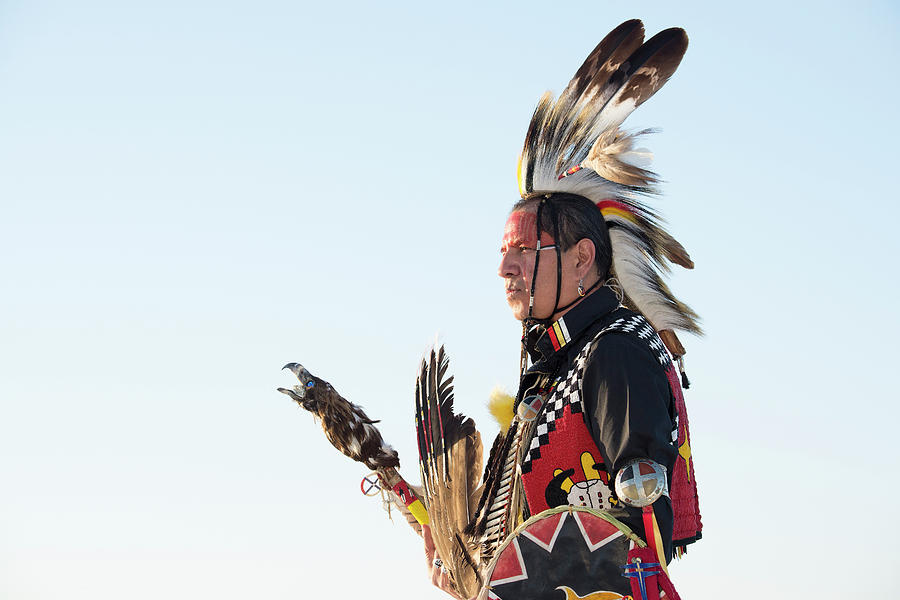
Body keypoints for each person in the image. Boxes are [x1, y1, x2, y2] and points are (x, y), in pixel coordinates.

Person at [422, 19, 702, 598]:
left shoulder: (616, 352)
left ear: (581, 260)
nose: (506, 269)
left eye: (525, 249)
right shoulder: (554, 374)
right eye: (504, 253)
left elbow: (641, 543)